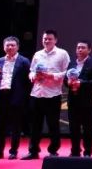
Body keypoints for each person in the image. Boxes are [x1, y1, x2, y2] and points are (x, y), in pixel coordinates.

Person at [24, 29, 70, 159]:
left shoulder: (62, 54)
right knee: (35, 124)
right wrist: (33, 76)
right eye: (45, 39)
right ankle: (33, 151)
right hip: (37, 93)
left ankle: (53, 150)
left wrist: (51, 76)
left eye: (50, 39)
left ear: (55, 40)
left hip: (53, 94)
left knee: (53, 124)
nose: (47, 41)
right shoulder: (38, 54)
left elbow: (67, 72)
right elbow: (31, 70)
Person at [0, 36, 30, 159]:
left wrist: (23, 95)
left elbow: (27, 81)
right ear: (3, 47)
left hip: (16, 96)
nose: (10, 47)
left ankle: (13, 151)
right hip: (1, 95)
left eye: (12, 45)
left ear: (17, 47)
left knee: (15, 125)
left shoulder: (24, 61)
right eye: (7, 45)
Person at [65, 40, 92, 157]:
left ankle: (88, 151)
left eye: (83, 47)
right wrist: (68, 82)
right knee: (73, 127)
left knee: (87, 127)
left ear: (89, 50)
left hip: (86, 100)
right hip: (72, 99)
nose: (79, 49)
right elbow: (65, 79)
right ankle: (75, 151)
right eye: (78, 47)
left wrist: (81, 83)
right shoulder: (71, 63)